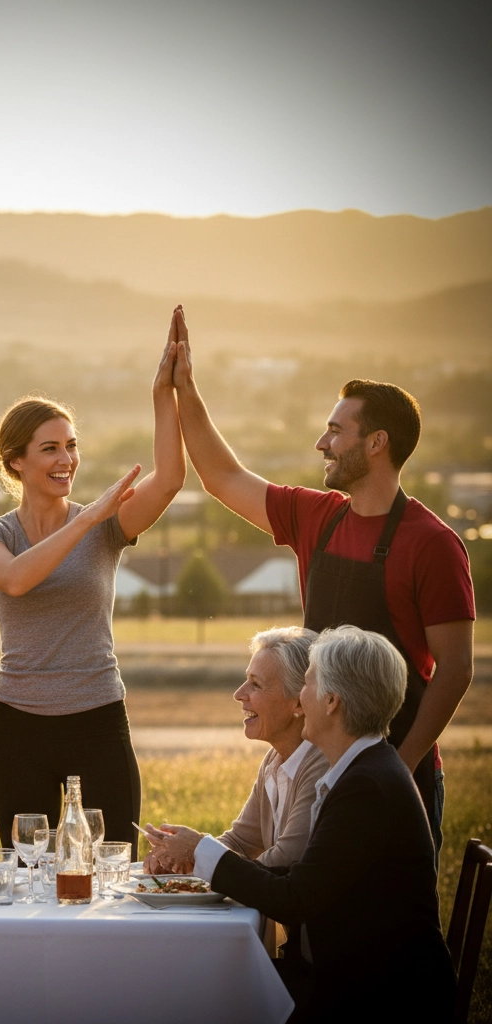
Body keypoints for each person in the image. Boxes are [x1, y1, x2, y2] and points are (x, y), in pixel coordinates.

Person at [170, 305, 473, 851]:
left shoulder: (433, 543)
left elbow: (454, 669)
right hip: (318, 762)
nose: (321, 443)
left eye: (336, 430)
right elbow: (222, 476)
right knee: (309, 898)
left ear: (376, 443)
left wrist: (400, 767)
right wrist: (185, 388)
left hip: (396, 765)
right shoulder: (316, 516)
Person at [144, 626, 455, 1022]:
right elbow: (298, 878)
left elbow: (294, 898)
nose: (302, 701)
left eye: (307, 685)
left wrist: (200, 850)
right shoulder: (366, 769)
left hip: (386, 999)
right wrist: (196, 857)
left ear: (331, 702)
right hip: (360, 981)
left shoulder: (366, 787)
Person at [0, 309, 186, 848]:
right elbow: (15, 579)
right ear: (15, 462)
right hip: (20, 727)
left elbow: (170, 478)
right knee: (28, 872)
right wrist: (84, 520)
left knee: (112, 865)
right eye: (50, 448)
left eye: (71, 445)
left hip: (99, 720)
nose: (67, 459)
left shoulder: (107, 525)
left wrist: (163, 393)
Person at [144, 627, 327, 874]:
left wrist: (198, 850)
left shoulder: (321, 765)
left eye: (256, 685)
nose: (239, 694)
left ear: (299, 702)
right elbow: (240, 841)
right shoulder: (275, 760)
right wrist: (181, 858)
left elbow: (285, 861)